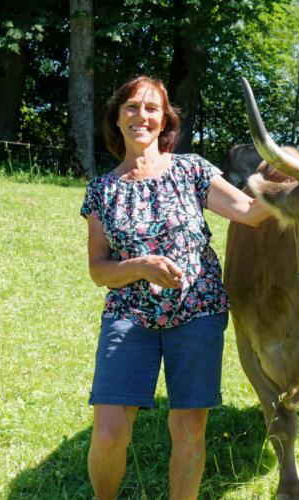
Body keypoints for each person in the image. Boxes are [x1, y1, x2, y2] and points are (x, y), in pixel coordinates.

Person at [80, 75, 269, 499]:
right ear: (118, 117)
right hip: (129, 315)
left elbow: (251, 213)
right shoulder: (102, 191)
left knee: (189, 427)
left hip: (197, 313)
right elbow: (99, 270)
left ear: (165, 119)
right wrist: (142, 266)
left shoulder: (192, 170)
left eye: (151, 109)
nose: (141, 116)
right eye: (132, 107)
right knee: (109, 430)